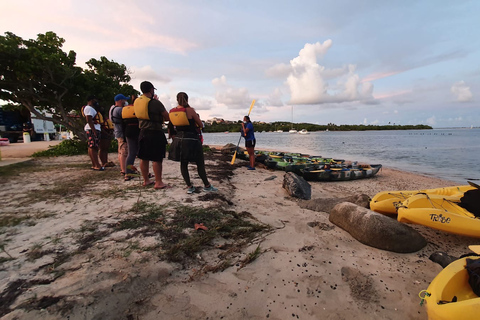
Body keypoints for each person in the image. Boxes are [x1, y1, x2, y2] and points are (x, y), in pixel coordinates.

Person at [168, 92, 217, 194]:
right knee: (200, 164)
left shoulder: (172, 111)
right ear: (187, 99)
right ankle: (207, 185)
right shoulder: (190, 110)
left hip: (178, 140)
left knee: (183, 164)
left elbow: (171, 127)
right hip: (192, 140)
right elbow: (200, 125)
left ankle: (189, 186)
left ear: (177, 100)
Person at [133, 81, 170, 189]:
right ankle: (158, 182)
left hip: (142, 132)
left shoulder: (137, 101)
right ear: (151, 89)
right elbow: (167, 117)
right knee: (157, 158)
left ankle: (146, 180)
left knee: (143, 157)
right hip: (155, 132)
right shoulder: (155, 103)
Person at [109, 94, 130, 177]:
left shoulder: (112, 108)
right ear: (121, 101)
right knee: (124, 152)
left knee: (120, 151)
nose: (126, 102)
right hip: (121, 132)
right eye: (124, 100)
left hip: (117, 132)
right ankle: (124, 170)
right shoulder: (119, 110)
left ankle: (123, 168)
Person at [82, 95, 103, 171]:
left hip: (93, 128)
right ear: (91, 100)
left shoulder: (90, 108)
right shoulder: (89, 108)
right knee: (93, 147)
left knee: (92, 146)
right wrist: (94, 131)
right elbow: (89, 119)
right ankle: (97, 165)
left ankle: (95, 164)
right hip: (92, 129)